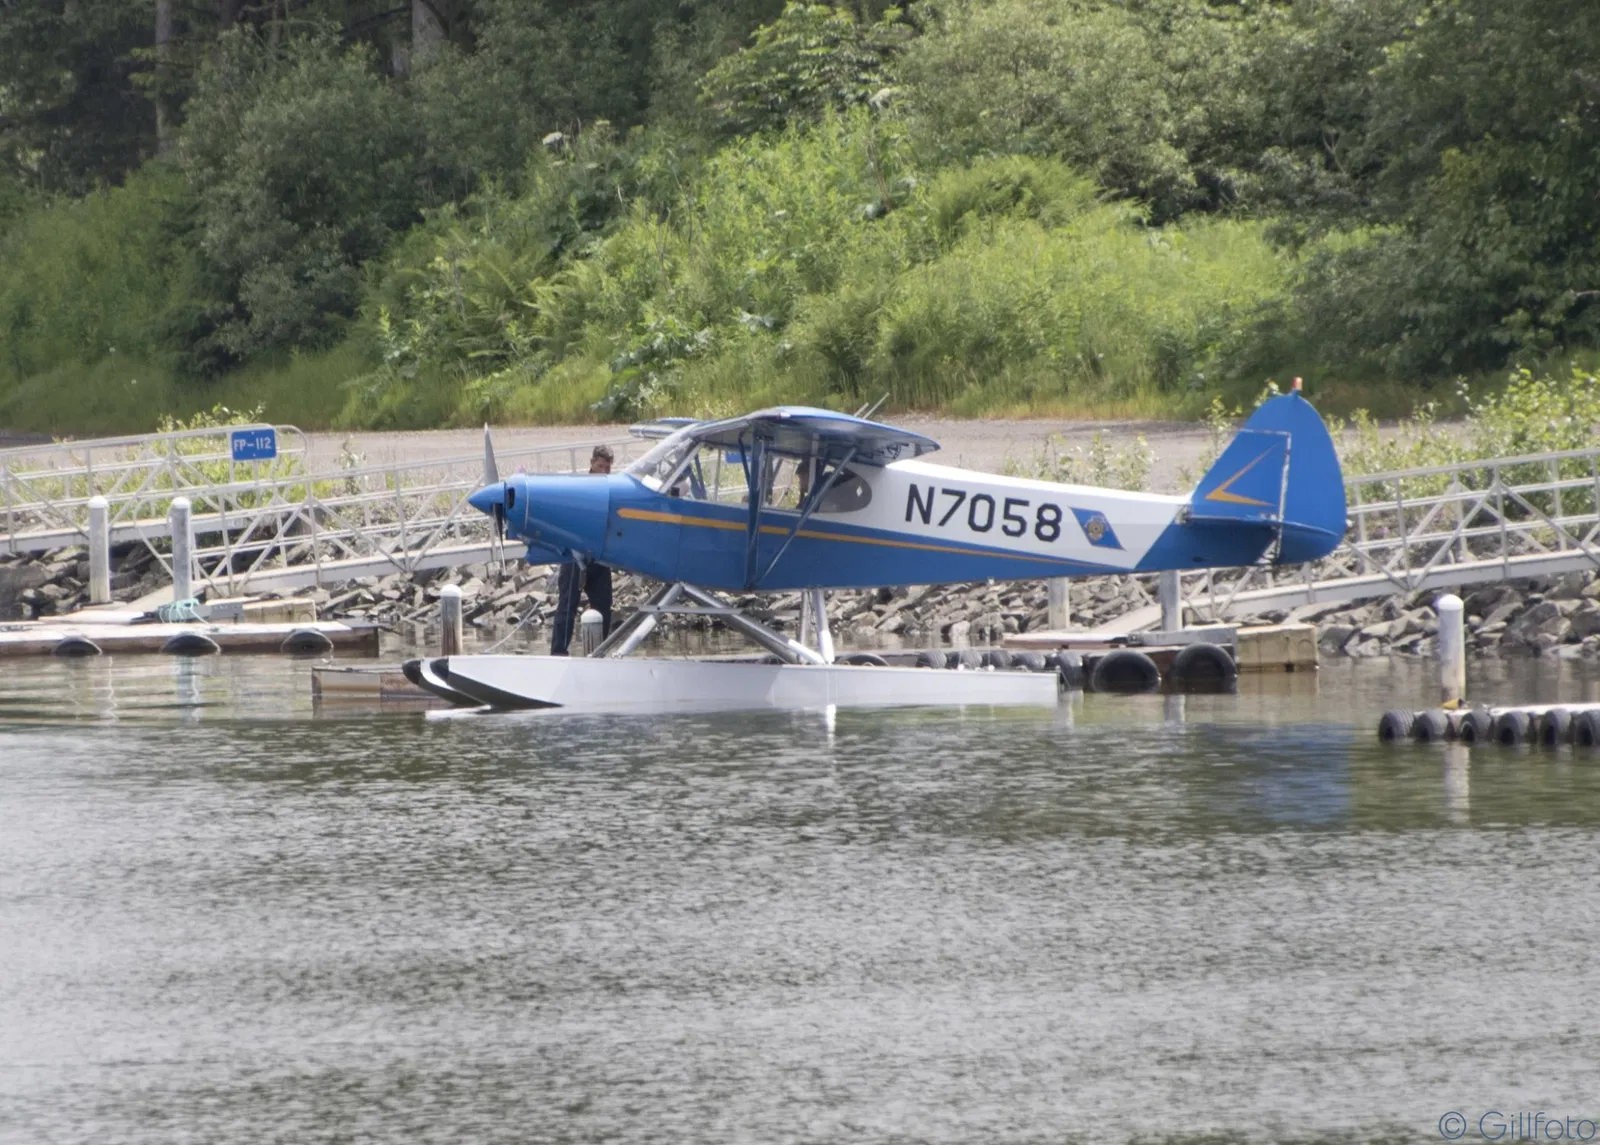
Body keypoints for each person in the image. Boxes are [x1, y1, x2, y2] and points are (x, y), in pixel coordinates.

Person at [549, 445, 614, 655]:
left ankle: (599, 652)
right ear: (592, 463)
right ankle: (558, 653)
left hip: (598, 559)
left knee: (603, 606)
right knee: (567, 607)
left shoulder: (612, 490)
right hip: (575, 557)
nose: (603, 471)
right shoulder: (578, 489)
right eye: (600, 465)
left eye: (607, 467)